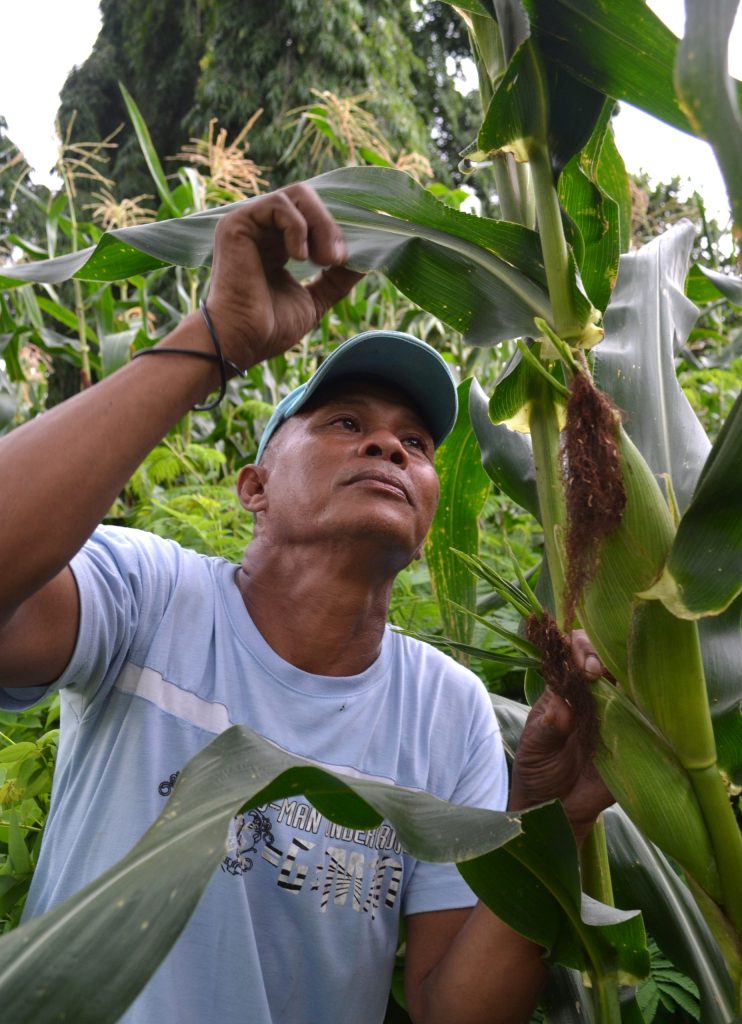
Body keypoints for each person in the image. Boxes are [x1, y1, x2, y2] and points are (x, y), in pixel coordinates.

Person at [0, 184, 610, 1024]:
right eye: (345, 421)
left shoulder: (447, 713)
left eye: (418, 443)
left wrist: (552, 816)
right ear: (253, 486)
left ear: (430, 511)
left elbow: (448, 1010)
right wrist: (215, 341)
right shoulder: (150, 596)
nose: (388, 444)